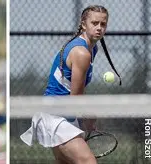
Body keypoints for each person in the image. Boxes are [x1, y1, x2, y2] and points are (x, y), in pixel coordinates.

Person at [20, 5, 121, 164]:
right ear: (83, 24)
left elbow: (76, 93)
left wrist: (84, 117)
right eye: (94, 23)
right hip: (54, 115)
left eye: (103, 24)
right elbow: (76, 98)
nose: (99, 28)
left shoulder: (91, 49)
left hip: (65, 112)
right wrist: (89, 115)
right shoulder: (82, 52)